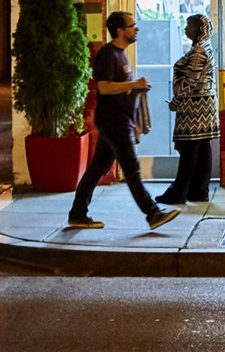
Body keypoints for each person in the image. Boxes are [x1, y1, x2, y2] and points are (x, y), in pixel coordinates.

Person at [67, 12, 180, 231]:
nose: (136, 29)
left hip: (119, 121)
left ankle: (77, 213)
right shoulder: (107, 54)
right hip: (114, 123)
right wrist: (135, 85)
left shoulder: (121, 54)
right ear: (120, 30)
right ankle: (153, 213)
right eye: (132, 26)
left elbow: (120, 87)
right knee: (132, 169)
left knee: (96, 169)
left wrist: (136, 89)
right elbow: (104, 87)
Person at [158, 14, 217, 206]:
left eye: (189, 26)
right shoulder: (204, 47)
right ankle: (198, 190)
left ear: (199, 29)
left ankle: (179, 191)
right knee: (200, 148)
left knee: (190, 149)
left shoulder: (199, 52)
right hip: (204, 104)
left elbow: (190, 80)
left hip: (195, 107)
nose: (186, 29)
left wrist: (176, 100)